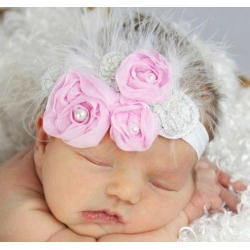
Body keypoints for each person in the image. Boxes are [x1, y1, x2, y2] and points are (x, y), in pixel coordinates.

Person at [0, 7, 246, 242]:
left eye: (162, 183)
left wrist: (189, 172)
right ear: (44, 142)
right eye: (98, 162)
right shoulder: (15, 207)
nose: (126, 192)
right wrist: (184, 215)